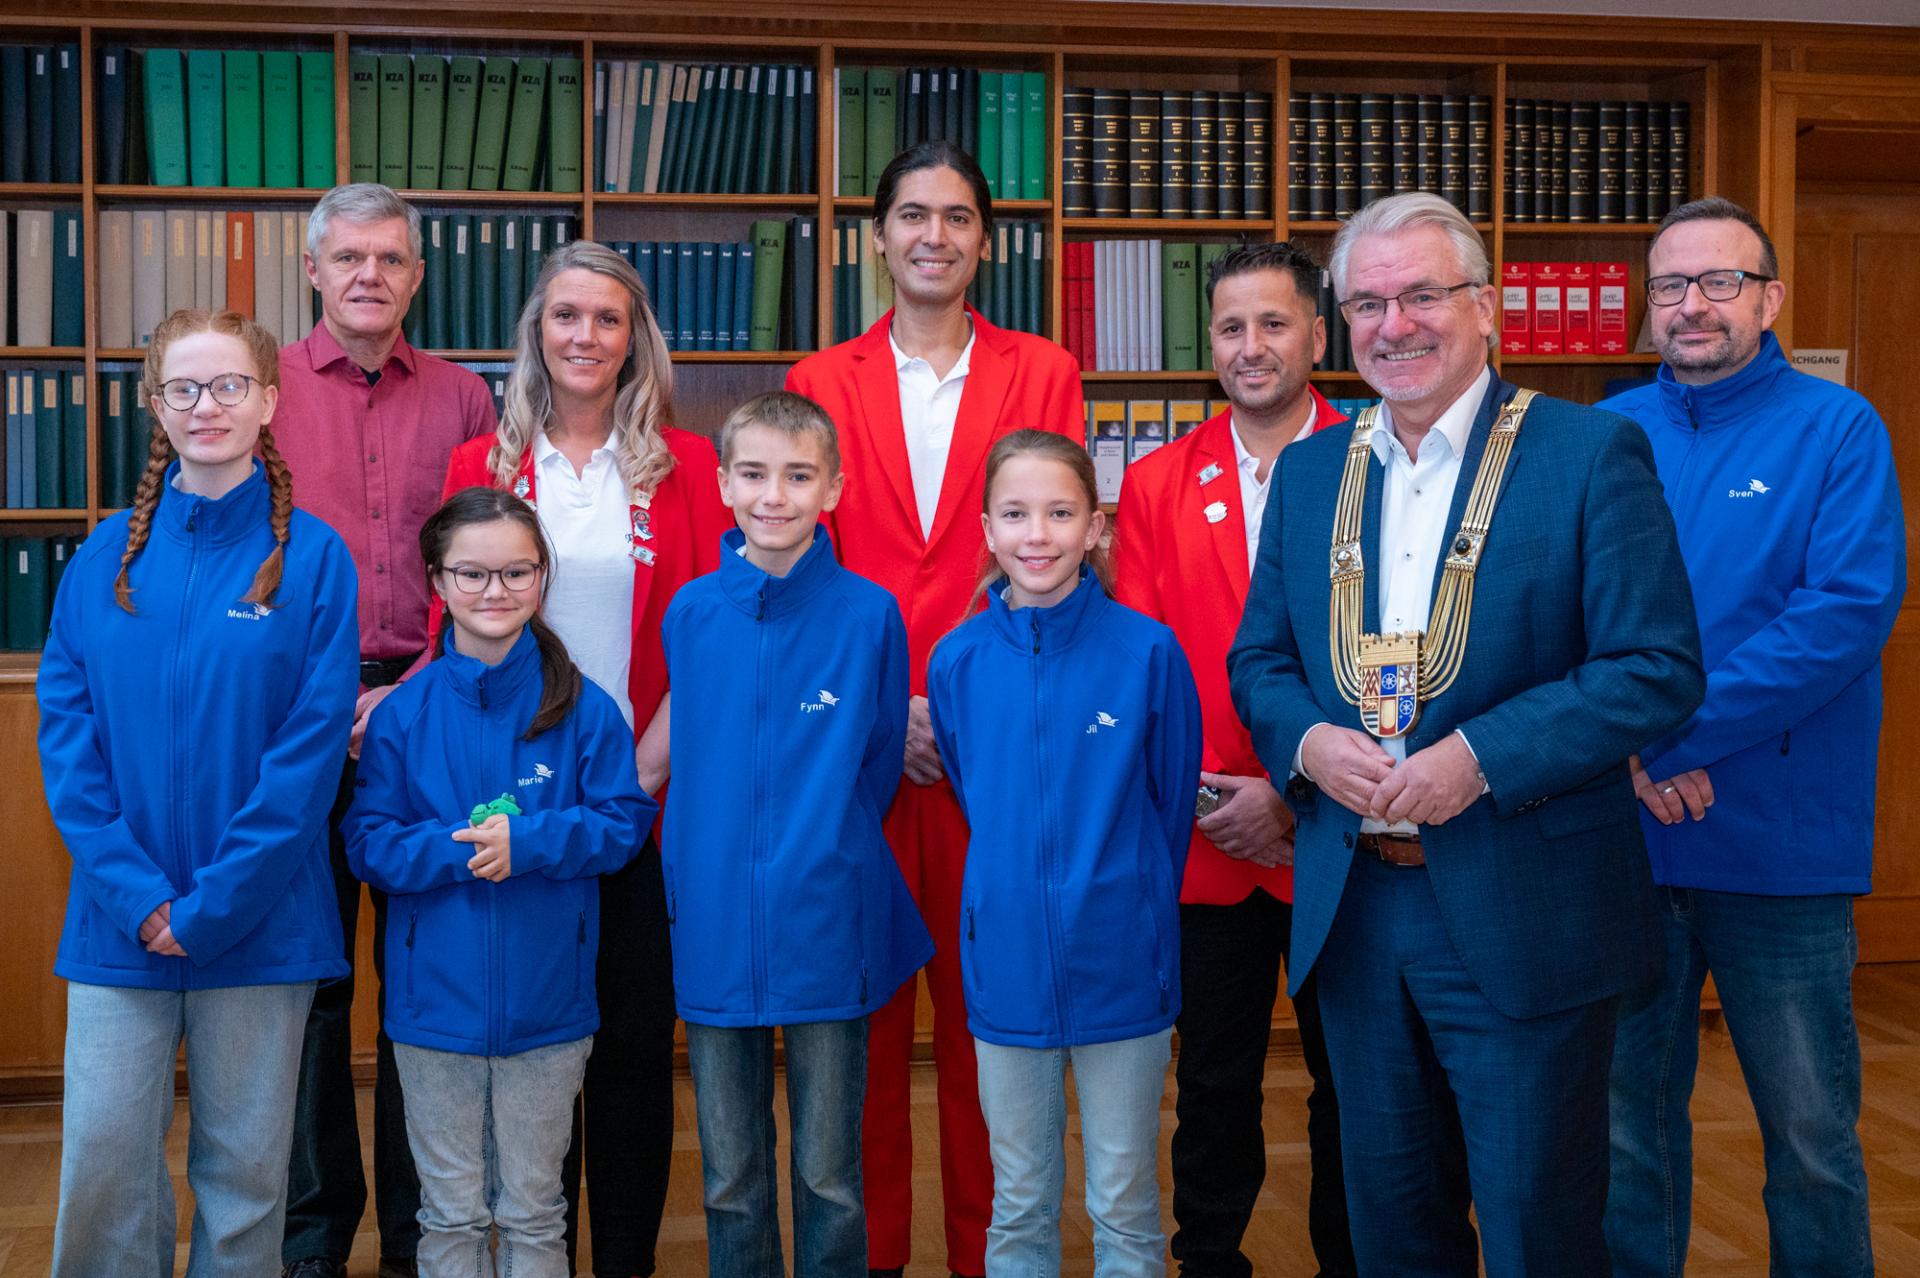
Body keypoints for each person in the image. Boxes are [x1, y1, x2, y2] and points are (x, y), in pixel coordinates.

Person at [1226, 192, 1706, 1277]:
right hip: (1357, 915)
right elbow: (1259, 662)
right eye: (1367, 304)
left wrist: (1477, 760)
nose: (1394, 325)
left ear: (1485, 307)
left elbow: (1657, 669)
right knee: (1393, 1234)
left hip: (1526, 910)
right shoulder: (1312, 473)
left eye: (1422, 296)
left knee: (1539, 1230)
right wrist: (1305, 745)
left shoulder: (1590, 453)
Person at [786, 140, 1084, 1278]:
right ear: (877, 237)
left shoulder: (1043, 370)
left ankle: (985, 1256)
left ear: (985, 241)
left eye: (957, 218)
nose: (934, 236)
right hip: (855, 747)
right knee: (856, 1023)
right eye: (912, 215)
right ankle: (867, 1257)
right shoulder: (819, 381)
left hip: (993, 740)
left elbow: (1040, 545)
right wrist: (888, 708)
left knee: (986, 1020)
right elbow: (811, 570)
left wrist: (946, 704)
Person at [1599, 197, 1904, 1278]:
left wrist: (1661, 739)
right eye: (1672, 284)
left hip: (1777, 842)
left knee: (1810, 1138)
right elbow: (1560, 612)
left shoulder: (1837, 427)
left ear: (1770, 299)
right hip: (1625, 843)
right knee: (1628, 1131)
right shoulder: (1609, 433)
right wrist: (1625, 756)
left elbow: (1842, 615)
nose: (1692, 304)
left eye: (1719, 282)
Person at [40, 308, 360, 1275]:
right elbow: (70, 750)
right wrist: (140, 901)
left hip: (260, 922)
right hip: (117, 922)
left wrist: (214, 904)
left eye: (229, 386)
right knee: (102, 1161)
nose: (206, 405)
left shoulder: (315, 559)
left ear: (269, 399)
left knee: (247, 1178)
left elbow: (308, 761)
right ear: (156, 405)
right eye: (184, 388)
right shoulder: (101, 562)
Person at [440, 237, 731, 1277]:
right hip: (514, 808)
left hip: (641, 797)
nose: (586, 336)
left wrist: (643, 770)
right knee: (531, 1058)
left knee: (631, 1057)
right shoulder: (481, 466)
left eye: (609, 319)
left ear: (635, 338)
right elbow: (460, 633)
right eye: (567, 315)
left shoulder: (689, 468)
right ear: (537, 330)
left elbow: (711, 637)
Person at [1112, 240, 1355, 1278]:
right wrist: (1233, 798)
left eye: (1272, 324)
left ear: (1317, 334)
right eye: (1229, 328)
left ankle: (1357, 1258)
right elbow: (1147, 666)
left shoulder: (1377, 457)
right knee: (1213, 1080)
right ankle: (1208, 1258)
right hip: (1209, 833)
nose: (1250, 347)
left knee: (1359, 1079)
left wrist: (1294, 797)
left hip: (1347, 829)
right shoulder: (1160, 482)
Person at [345, 486, 653, 1278]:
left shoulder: (585, 710)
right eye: (472, 575)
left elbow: (624, 823)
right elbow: (367, 843)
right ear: (437, 583)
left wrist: (536, 840)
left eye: (517, 573)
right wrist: (464, 849)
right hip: (431, 1017)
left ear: (542, 578)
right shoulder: (401, 716)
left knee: (532, 1211)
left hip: (549, 1012)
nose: (495, 592)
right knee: (447, 1215)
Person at [276, 182, 498, 1278]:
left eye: (392, 259)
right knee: (314, 984)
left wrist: (406, 691)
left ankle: (425, 1235)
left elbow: (495, 567)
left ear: (418, 275)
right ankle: (314, 1237)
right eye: (349, 257)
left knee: (424, 976)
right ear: (312, 270)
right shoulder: (258, 390)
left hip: (431, 713)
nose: (371, 274)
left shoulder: (466, 403)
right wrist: (329, 696)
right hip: (291, 722)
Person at [662, 390, 934, 1278]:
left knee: (830, 1172)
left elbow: (877, 761)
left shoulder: (869, 615)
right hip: (712, 920)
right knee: (731, 1175)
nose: (774, 495)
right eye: (753, 474)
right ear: (723, 484)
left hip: (827, 917)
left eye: (797, 475)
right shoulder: (692, 615)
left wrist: (820, 847)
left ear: (834, 488)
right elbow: (695, 763)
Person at [928, 428, 1200, 1278]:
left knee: (1123, 1200)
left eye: (1058, 512)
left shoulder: (1148, 653)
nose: (1035, 534)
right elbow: (977, 794)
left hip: (1123, 960)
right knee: (1018, 1201)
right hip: (1004, 964)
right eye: (1015, 514)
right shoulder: (957, 661)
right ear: (986, 528)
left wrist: (1122, 896)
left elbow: (1168, 804)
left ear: (1096, 528)